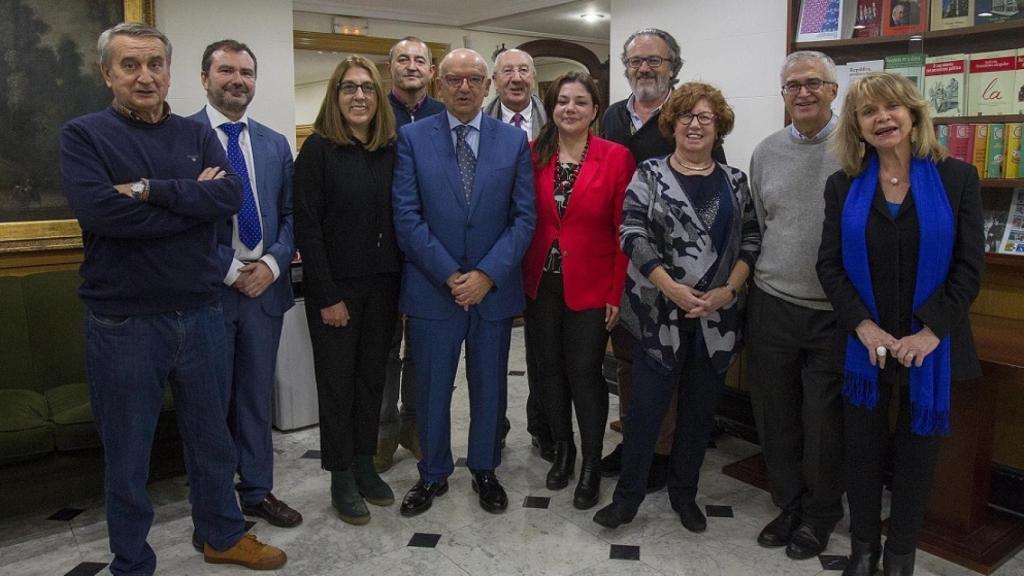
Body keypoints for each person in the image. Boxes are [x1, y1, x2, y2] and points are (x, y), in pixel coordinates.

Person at [59, 23, 286, 574]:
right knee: (129, 455)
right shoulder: (84, 135)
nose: (145, 76)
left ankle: (222, 535)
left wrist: (145, 190)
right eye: (131, 65)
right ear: (107, 73)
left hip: (201, 312)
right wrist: (193, 203)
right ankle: (132, 560)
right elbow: (102, 214)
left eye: (155, 64)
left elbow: (228, 196)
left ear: (169, 69)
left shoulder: (195, 133)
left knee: (213, 441)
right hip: (125, 323)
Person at [817, 72, 983, 576]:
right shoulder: (842, 184)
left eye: (892, 107)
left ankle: (902, 556)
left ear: (913, 115)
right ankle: (863, 551)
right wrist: (862, 326)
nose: (882, 118)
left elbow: (969, 266)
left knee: (917, 458)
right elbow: (829, 265)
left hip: (932, 345)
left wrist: (930, 331)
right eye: (869, 112)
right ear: (858, 127)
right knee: (861, 454)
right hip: (864, 345)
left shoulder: (957, 178)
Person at [593, 82, 761, 533]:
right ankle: (627, 498)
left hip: (716, 318)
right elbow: (631, 233)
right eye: (686, 116)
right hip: (658, 315)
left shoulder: (736, 181)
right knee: (645, 411)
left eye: (705, 117)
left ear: (719, 126)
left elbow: (750, 240)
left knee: (698, 414)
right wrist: (671, 288)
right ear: (673, 124)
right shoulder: (649, 174)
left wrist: (729, 290)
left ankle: (684, 495)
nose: (695, 124)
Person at [393, 48, 535, 517]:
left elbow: (523, 218)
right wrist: (452, 275)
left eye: (474, 78)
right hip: (435, 290)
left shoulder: (512, 143)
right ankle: (433, 474)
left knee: (490, 386)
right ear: (439, 84)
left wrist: (487, 275)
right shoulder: (413, 138)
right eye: (454, 78)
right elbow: (407, 216)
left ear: (487, 84)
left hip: (493, 293)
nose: (464, 86)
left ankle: (485, 468)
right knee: (432, 389)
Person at [599, 28, 727, 490]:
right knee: (631, 361)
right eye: (635, 62)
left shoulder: (688, 117)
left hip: (681, 274)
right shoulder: (611, 117)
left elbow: (714, 199)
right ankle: (635, 439)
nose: (644, 69)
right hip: (625, 266)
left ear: (673, 65)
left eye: (654, 61)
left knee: (668, 368)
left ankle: (664, 451)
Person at [188, 39, 302, 533]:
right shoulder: (181, 138)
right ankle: (212, 507)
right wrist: (230, 270)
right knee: (208, 405)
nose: (238, 80)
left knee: (257, 398)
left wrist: (272, 265)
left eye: (247, 72)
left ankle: (257, 490)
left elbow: (292, 215)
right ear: (205, 78)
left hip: (265, 288)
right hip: (209, 292)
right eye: (227, 71)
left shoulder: (276, 143)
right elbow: (178, 221)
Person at [294, 55, 400, 526]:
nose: (360, 96)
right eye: (349, 88)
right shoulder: (318, 151)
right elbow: (308, 229)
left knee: (371, 382)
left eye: (368, 88)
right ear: (335, 97)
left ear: (379, 98)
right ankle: (340, 475)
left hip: (384, 288)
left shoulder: (391, 150)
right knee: (337, 387)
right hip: (336, 292)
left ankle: (364, 462)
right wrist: (326, 296)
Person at [521, 72, 635, 509]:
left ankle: (590, 462)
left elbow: (624, 230)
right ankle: (562, 450)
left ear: (594, 110)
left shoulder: (616, 157)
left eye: (580, 102)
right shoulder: (533, 154)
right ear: (552, 107)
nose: (570, 108)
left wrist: (616, 292)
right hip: (539, 283)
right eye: (563, 101)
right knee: (547, 372)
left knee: (585, 375)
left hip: (593, 285)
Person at [746, 50, 843, 559]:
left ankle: (821, 514)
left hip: (835, 311)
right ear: (782, 95)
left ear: (833, 90)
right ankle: (788, 503)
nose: (802, 93)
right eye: (792, 86)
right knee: (775, 413)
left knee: (823, 420)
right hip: (773, 302)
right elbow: (761, 225)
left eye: (813, 83)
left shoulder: (857, 148)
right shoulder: (765, 151)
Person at [376, 36, 446, 474]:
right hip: (382, 249)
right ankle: (383, 432)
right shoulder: (374, 111)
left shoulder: (445, 115)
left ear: (431, 70)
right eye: (403, 58)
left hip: (430, 250)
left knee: (424, 348)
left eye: (420, 59)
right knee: (384, 349)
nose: (412, 65)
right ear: (391, 67)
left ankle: (416, 426)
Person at [485, 47, 553, 461]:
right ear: (494, 80)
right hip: (495, 250)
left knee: (542, 350)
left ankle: (543, 428)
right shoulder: (480, 119)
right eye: (507, 71)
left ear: (534, 78)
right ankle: (494, 428)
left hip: (545, 247)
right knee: (491, 351)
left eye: (523, 70)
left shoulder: (557, 121)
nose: (516, 77)